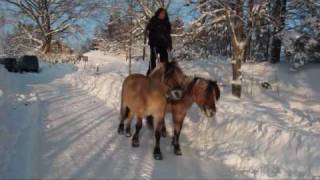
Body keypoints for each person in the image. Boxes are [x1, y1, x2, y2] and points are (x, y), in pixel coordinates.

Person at [146, 8, 172, 75]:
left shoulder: (167, 23)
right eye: (161, 13)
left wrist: (169, 45)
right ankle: (150, 75)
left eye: (164, 14)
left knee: (164, 62)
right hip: (155, 44)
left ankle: (164, 76)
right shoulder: (153, 21)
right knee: (153, 61)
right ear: (158, 13)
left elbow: (168, 35)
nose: (162, 15)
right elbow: (149, 33)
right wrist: (151, 42)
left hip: (164, 45)